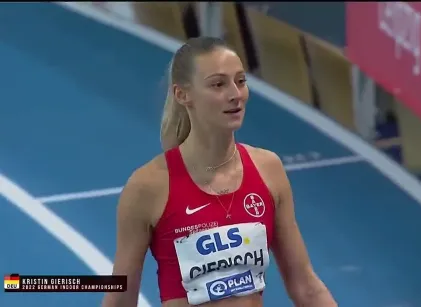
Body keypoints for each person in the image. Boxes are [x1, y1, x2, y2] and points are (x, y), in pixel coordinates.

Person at [102, 36, 337, 307]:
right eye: (218, 84)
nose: (235, 94)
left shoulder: (268, 169)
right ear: (182, 94)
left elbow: (306, 286)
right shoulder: (149, 187)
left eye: (240, 81)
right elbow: (120, 297)